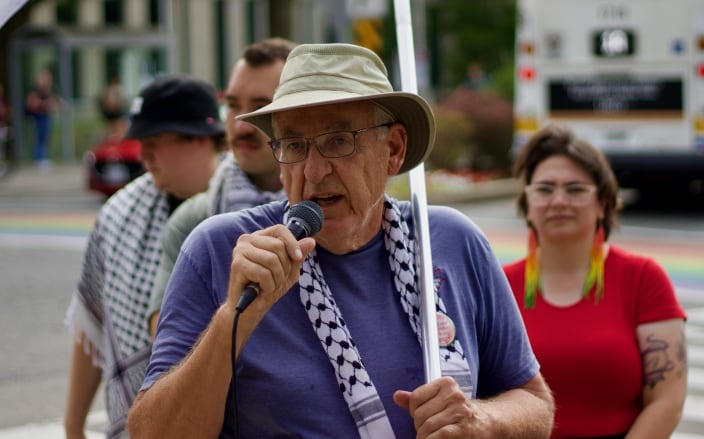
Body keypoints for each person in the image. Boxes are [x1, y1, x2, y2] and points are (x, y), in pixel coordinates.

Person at [128, 43, 554, 438]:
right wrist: (231, 321)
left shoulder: (451, 241)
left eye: (338, 141)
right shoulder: (220, 250)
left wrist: (481, 421)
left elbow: (534, 402)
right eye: (293, 144)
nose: (313, 171)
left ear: (394, 149)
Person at [64, 75, 225, 439]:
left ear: (200, 139)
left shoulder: (242, 208)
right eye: (141, 144)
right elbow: (93, 320)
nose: (144, 156)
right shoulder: (119, 215)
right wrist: (73, 427)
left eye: (154, 143)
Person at [502, 123, 688, 438]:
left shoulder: (643, 278)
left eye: (575, 189)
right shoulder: (498, 285)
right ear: (527, 205)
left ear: (603, 203)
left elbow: (667, 400)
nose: (558, 201)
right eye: (544, 189)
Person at [146, 37, 296, 339]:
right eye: (232, 105)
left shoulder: (333, 212)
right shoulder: (194, 220)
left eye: (261, 107)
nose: (240, 125)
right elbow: (166, 338)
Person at [25, 69, 58, 168]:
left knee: (45, 137)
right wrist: (44, 104)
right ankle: (39, 159)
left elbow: (54, 101)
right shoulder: (35, 89)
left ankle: (44, 158)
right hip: (37, 116)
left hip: (46, 115)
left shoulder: (49, 90)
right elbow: (32, 102)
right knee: (39, 137)